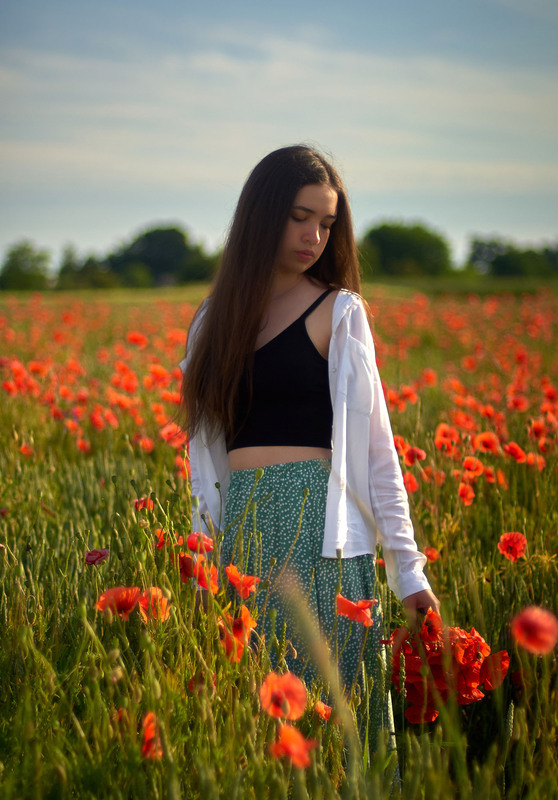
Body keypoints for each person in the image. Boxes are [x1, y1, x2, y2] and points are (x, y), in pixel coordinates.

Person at [180, 144, 439, 741]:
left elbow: (379, 451)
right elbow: (204, 465)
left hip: (323, 533)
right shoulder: (213, 319)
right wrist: (202, 564)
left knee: (336, 721)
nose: (315, 236)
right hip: (244, 533)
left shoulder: (339, 311)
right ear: (263, 214)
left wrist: (408, 571)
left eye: (327, 223)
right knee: (257, 729)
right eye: (301, 217)